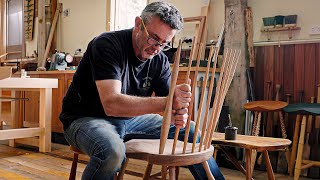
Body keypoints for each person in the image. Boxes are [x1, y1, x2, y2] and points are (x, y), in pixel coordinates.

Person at [59, 1, 225, 180]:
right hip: (86, 119)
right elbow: (111, 105)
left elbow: (169, 104)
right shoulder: (107, 44)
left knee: (191, 132)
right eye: (153, 38)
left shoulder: (159, 60)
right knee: (112, 151)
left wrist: (177, 113)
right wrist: (169, 102)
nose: (157, 48)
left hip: (131, 121)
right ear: (138, 24)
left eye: (164, 43)